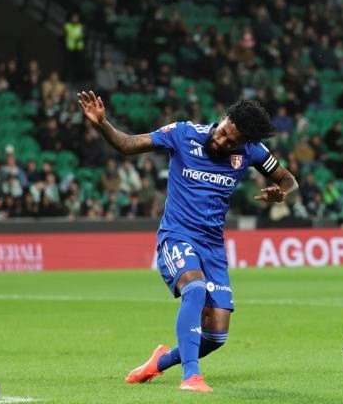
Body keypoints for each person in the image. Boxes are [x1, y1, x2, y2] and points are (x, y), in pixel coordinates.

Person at [77, 90, 298, 392]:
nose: (222, 141)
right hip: (177, 235)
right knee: (194, 288)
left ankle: (158, 362)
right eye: (223, 132)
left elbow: (288, 180)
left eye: (231, 141)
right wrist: (103, 124)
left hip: (212, 247)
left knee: (216, 336)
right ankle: (191, 378)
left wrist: (282, 193)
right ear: (223, 119)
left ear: (244, 143)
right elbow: (128, 144)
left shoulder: (253, 152)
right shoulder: (182, 134)